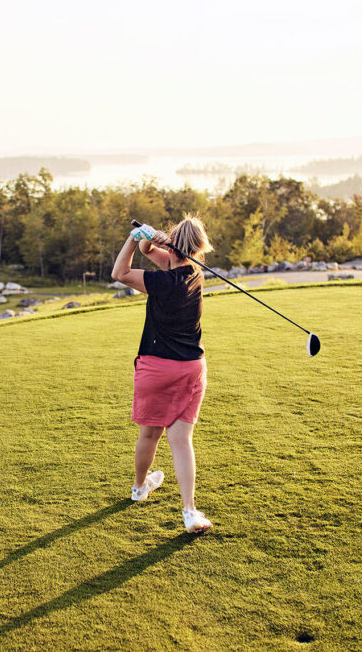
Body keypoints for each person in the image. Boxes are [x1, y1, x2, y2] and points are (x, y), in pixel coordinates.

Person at [110, 215, 214, 533]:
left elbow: (120, 272)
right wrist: (152, 239)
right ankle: (190, 512)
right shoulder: (196, 273)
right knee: (181, 441)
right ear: (198, 248)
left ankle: (140, 488)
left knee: (150, 435)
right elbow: (151, 252)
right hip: (191, 369)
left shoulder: (162, 283)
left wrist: (134, 238)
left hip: (156, 369)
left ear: (174, 244)